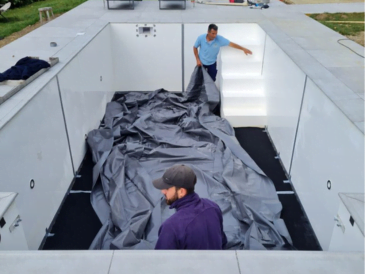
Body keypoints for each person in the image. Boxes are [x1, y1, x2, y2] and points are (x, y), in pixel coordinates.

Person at [153, 164, 227, 249]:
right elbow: (223, 243)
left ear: (181, 192)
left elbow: (161, 260)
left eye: (167, 188)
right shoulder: (213, 207)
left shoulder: (171, 227)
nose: (163, 191)